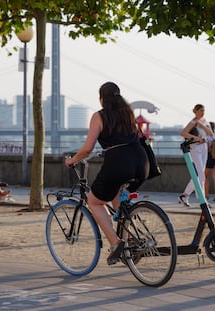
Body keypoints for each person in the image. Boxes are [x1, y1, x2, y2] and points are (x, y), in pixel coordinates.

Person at [64, 82, 149, 265]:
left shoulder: (99, 116)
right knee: (118, 198)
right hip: (142, 164)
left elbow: (87, 148)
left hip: (119, 165)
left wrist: (72, 160)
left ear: (102, 98)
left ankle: (116, 243)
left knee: (94, 201)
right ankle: (128, 244)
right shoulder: (128, 113)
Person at [178, 104, 213, 207]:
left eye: (204, 110)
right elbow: (183, 133)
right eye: (201, 110)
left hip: (204, 147)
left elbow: (211, 133)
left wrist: (202, 126)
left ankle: (185, 195)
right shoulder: (193, 121)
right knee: (201, 175)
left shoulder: (205, 121)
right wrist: (196, 138)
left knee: (198, 175)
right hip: (195, 148)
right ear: (196, 111)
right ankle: (202, 200)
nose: (203, 112)